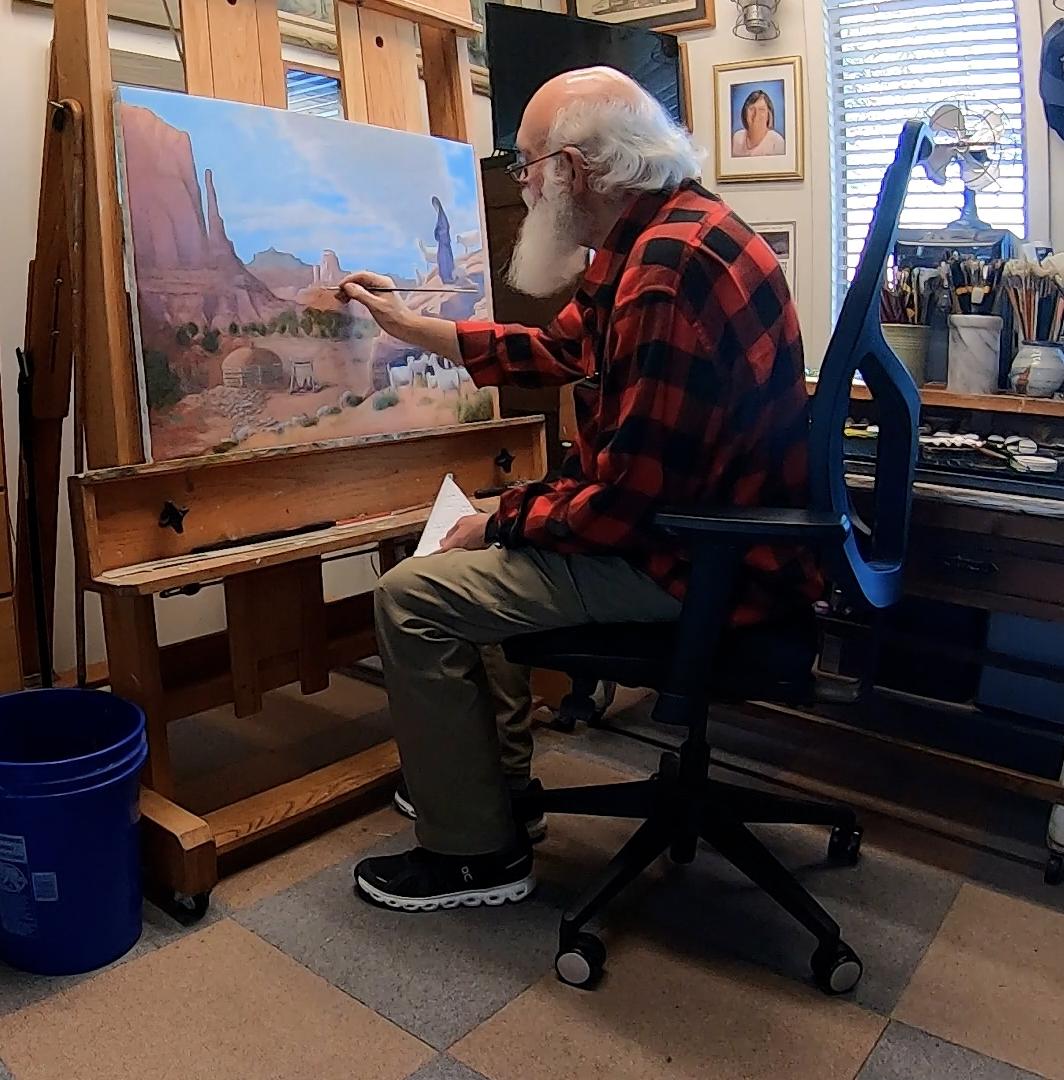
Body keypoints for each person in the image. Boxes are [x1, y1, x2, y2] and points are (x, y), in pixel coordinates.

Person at [334, 67, 819, 912]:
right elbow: (558, 350)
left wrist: (502, 521)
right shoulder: (667, 228)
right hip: (709, 538)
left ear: (576, 169)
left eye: (525, 164)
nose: (520, 184)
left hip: (696, 562)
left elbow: (625, 506)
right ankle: (495, 795)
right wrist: (414, 327)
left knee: (413, 596)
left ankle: (473, 855)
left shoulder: (665, 272)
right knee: (473, 560)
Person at [731, 88, 786, 158]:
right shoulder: (737, 138)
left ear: (769, 115)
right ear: (745, 113)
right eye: (751, 109)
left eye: (761, 110)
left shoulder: (777, 143)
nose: (756, 115)